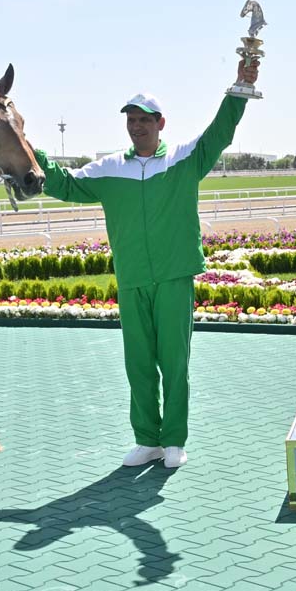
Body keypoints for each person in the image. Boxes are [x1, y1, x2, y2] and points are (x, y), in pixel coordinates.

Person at [31, 59, 259, 469]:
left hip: (173, 276)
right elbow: (63, 184)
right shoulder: (108, 169)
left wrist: (240, 86)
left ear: (160, 123)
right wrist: (29, 149)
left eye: (143, 120)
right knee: (137, 362)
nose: (136, 127)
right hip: (133, 277)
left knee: (174, 362)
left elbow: (221, 131)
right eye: (131, 120)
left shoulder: (185, 159)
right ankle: (146, 439)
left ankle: (173, 440)